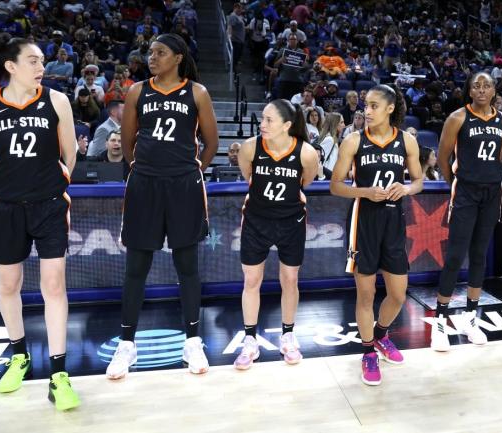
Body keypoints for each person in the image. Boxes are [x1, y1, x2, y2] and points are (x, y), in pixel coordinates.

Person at [0, 33, 80, 410]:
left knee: (53, 285)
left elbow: (71, 153)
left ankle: (59, 373)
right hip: (8, 206)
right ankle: (19, 355)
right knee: (9, 283)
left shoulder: (57, 100)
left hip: (49, 203)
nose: (41, 67)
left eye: (41, 61)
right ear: (10, 66)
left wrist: (51, 180)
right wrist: (9, 186)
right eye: (33, 61)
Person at [105, 34, 219, 379]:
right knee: (136, 265)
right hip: (145, 183)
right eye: (151, 52)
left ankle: (193, 340)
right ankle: (127, 343)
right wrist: (146, 170)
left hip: (184, 184)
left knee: (187, 264)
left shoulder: (197, 92)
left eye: (160, 52)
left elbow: (211, 143)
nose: (152, 57)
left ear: (178, 58)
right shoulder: (138, 91)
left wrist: (191, 169)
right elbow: (127, 143)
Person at [330, 84, 424, 386]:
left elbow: (419, 180)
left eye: (372, 106)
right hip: (364, 220)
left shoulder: (407, 141)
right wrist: (365, 192)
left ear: (389, 108)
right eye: (365, 106)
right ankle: (368, 351)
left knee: (398, 293)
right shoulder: (353, 141)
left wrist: (407, 188)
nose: (366, 111)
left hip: (395, 220)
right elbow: (336, 186)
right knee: (366, 293)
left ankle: (382, 335)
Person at [232, 99, 318, 369]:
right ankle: (249, 339)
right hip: (256, 220)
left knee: (290, 279)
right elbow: (248, 176)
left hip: (291, 222)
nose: (263, 124)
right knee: (251, 280)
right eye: (263, 118)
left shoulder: (306, 153)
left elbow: (307, 181)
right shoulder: (250, 147)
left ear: (287, 125)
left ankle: (288, 335)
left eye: (269, 120)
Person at [431, 72, 502, 351]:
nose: (481, 90)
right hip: (465, 190)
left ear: (493, 90)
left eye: (486, 85)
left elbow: (499, 155)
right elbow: (443, 156)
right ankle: (440, 319)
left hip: (492, 192)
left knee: (479, 255)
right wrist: (453, 183)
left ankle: (469, 318)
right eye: (476, 86)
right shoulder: (457, 118)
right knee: (454, 255)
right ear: (469, 90)